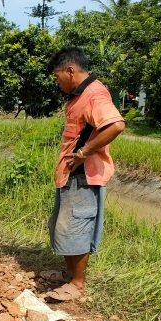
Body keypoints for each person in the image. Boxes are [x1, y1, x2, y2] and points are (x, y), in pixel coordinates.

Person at [45, 46, 125, 301]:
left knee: (76, 227)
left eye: (58, 77)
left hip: (85, 176)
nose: (58, 83)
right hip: (70, 175)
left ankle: (78, 284)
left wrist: (83, 153)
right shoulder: (79, 96)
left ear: (70, 70)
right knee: (63, 226)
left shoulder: (94, 94)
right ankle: (70, 276)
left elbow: (116, 125)